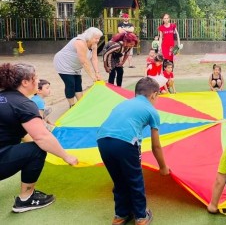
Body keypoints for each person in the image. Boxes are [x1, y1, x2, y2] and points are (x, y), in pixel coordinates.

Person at [0, 63, 78, 213]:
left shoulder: (5, 98)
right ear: (25, 82)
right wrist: (65, 156)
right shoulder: (23, 104)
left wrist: (53, 149)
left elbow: (21, 134)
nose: (38, 80)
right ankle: (26, 199)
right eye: (35, 77)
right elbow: (42, 137)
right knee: (36, 150)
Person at [97, 77, 170, 225]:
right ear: (154, 95)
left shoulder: (123, 103)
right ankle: (141, 217)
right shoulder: (151, 111)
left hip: (102, 140)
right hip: (125, 142)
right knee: (135, 180)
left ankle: (121, 215)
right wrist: (163, 167)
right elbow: (156, 146)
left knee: (119, 180)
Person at [53, 27, 103, 108]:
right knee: (70, 84)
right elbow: (84, 61)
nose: (98, 40)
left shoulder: (94, 45)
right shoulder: (80, 42)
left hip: (75, 65)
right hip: (64, 63)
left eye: (99, 38)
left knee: (78, 83)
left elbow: (94, 59)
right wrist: (92, 76)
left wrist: (97, 72)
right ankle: (72, 105)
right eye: (96, 38)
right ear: (89, 36)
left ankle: (80, 104)